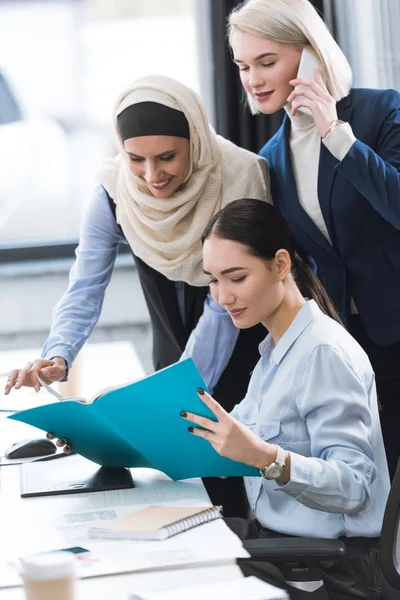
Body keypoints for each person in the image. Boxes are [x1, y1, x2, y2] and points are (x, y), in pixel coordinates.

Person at [4, 74, 271, 515]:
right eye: (136, 159)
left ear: (196, 142)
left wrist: (169, 396)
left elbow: (223, 306)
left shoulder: (239, 177)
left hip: (242, 361)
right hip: (172, 363)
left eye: (167, 157)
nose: (152, 176)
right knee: (185, 500)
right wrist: (58, 354)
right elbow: (86, 283)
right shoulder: (114, 192)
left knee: (238, 499)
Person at [180, 198, 390, 600]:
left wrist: (265, 457)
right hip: (285, 550)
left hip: (328, 570)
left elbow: (354, 486)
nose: (223, 297)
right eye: (213, 280)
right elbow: (233, 440)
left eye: (236, 277)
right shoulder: (274, 352)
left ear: (280, 265)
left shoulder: (322, 353)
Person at [227, 0, 400, 481]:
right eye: (243, 65)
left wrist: (335, 133)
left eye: (267, 62)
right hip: (350, 341)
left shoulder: (381, 111)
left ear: (311, 58)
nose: (253, 79)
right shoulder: (271, 158)